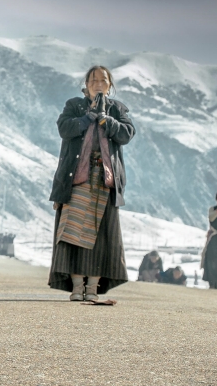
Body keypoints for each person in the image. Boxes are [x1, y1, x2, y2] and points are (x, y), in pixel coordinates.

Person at [48, 65, 136, 301]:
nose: (98, 84)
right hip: (76, 179)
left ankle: (93, 288)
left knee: (100, 236)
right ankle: (77, 287)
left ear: (110, 85)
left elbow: (127, 133)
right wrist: (87, 118)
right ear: (86, 84)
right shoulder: (74, 105)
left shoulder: (117, 109)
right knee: (73, 231)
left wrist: (108, 122)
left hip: (105, 180)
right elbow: (64, 129)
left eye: (103, 80)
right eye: (94, 80)